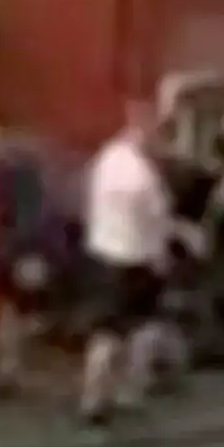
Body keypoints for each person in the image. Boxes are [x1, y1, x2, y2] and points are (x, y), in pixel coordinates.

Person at [77, 100, 172, 427]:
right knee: (146, 327)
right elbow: (155, 222)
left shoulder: (105, 161)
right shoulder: (143, 175)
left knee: (105, 332)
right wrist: (161, 258)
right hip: (137, 260)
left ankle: (93, 399)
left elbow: (89, 204)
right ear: (143, 130)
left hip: (102, 254)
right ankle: (130, 392)